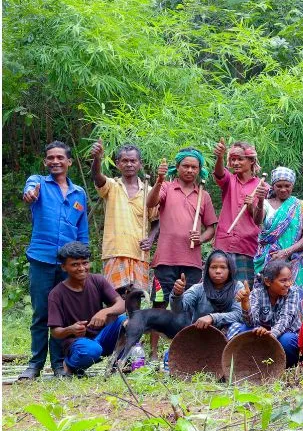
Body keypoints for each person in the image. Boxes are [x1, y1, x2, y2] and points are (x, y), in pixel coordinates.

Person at [21, 141, 90, 379]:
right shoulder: (38, 183)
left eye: (60, 157)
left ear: (69, 162)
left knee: (65, 316)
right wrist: (29, 193)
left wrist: (83, 260)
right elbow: (29, 191)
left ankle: (60, 365)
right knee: (41, 313)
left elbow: (82, 230)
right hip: (41, 258)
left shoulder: (79, 193)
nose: (55, 162)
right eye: (50, 158)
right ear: (45, 162)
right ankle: (35, 365)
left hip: (69, 265)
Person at [147, 148, 218, 341]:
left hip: (192, 262)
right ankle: (153, 354)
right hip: (165, 259)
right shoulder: (167, 187)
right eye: (185, 166)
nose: (189, 170)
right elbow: (150, 203)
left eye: (194, 167)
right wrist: (159, 179)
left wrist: (201, 238)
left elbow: (211, 228)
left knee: (190, 306)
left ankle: (186, 347)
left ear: (199, 170)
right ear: (176, 167)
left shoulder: (204, 195)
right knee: (159, 305)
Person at [46, 242, 126, 375]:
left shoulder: (97, 280)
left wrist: (105, 311)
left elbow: (121, 304)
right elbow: (55, 332)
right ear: (64, 267)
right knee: (92, 350)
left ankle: (118, 364)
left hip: (102, 337)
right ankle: (69, 365)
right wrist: (70, 329)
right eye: (75, 265)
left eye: (85, 263)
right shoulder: (56, 294)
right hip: (78, 344)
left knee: (127, 321)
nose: (82, 268)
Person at [90, 139, 157, 294]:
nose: (129, 164)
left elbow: (156, 220)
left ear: (140, 164)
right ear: (118, 163)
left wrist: (151, 238)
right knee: (115, 297)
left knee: (135, 298)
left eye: (133, 161)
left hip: (139, 252)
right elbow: (97, 176)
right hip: (115, 251)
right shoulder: (112, 186)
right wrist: (97, 158)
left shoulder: (149, 191)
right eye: (124, 161)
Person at [213, 139, 266, 285]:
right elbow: (219, 173)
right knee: (219, 287)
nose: (235, 163)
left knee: (244, 293)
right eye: (232, 159)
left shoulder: (262, 186)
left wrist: (254, 205)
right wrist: (220, 157)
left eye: (240, 159)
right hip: (224, 244)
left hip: (247, 246)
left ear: (251, 161)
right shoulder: (229, 180)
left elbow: (259, 220)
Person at [230, 260, 303, 367]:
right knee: (244, 331)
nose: (288, 284)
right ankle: (251, 364)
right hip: (263, 331)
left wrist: (269, 335)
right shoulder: (257, 293)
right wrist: (245, 303)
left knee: (287, 341)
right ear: (268, 282)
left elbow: (285, 319)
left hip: (285, 332)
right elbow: (251, 322)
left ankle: (285, 366)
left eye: (290, 280)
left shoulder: (293, 292)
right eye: (283, 281)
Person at [254, 167, 303, 288]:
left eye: (287, 185)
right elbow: (257, 221)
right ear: (273, 186)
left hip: (293, 260)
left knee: (292, 298)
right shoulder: (265, 204)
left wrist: (286, 252)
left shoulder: (301, 206)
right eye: (279, 186)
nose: (283, 189)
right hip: (269, 260)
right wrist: (259, 201)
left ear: (292, 185)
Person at [169, 250, 245, 333]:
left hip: (229, 336)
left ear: (230, 270)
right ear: (207, 270)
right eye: (213, 267)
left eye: (223, 267)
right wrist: (177, 294)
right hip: (201, 335)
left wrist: (212, 318)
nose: (218, 271)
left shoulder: (237, 287)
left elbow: (239, 315)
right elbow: (178, 310)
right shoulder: (198, 289)